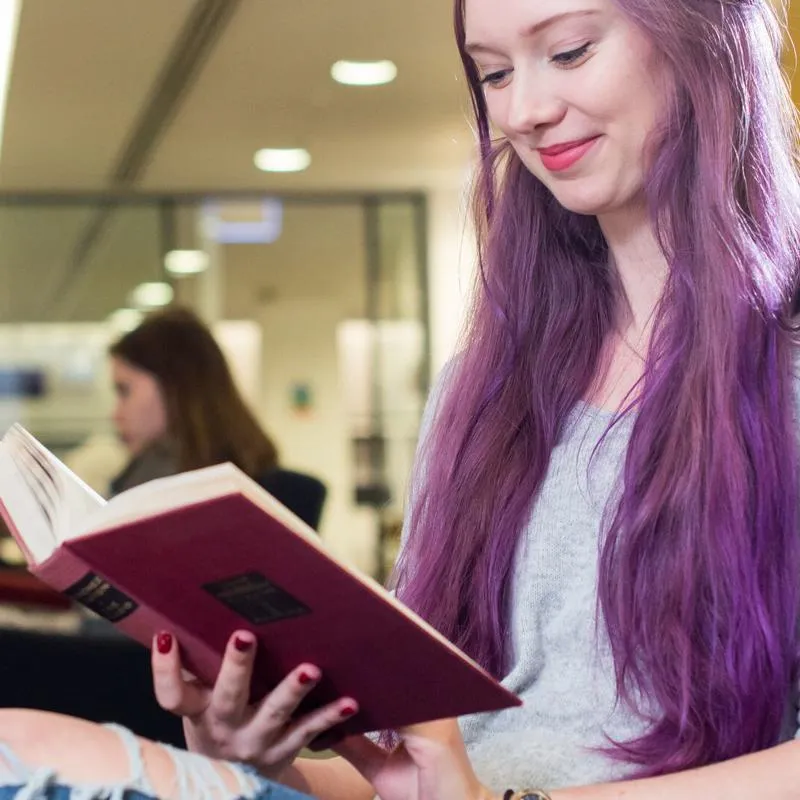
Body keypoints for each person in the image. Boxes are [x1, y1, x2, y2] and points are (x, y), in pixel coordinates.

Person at [149, 0, 800, 798]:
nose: (525, 111)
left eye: (568, 52)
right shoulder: (481, 395)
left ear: (701, 36)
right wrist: (264, 760)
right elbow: (431, 777)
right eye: (493, 73)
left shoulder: (784, 380)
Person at [108, 306, 279, 496]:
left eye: (125, 391)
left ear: (173, 386)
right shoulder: (262, 481)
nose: (116, 414)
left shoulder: (154, 484)